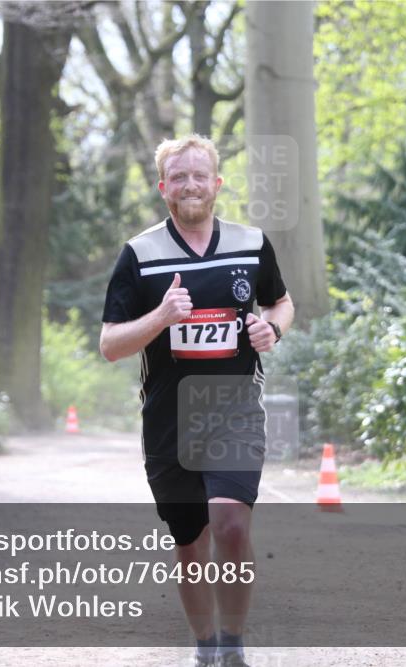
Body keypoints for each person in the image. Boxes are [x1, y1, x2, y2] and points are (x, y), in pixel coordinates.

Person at [100, 135, 294, 667]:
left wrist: (272, 329)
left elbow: (281, 302)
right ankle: (204, 646)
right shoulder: (139, 255)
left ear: (217, 183)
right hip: (170, 421)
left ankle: (233, 646)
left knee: (230, 526)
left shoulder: (251, 244)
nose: (191, 185)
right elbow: (110, 345)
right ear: (163, 187)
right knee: (190, 542)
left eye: (199, 175)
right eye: (179, 177)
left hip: (234, 411)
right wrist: (161, 317)